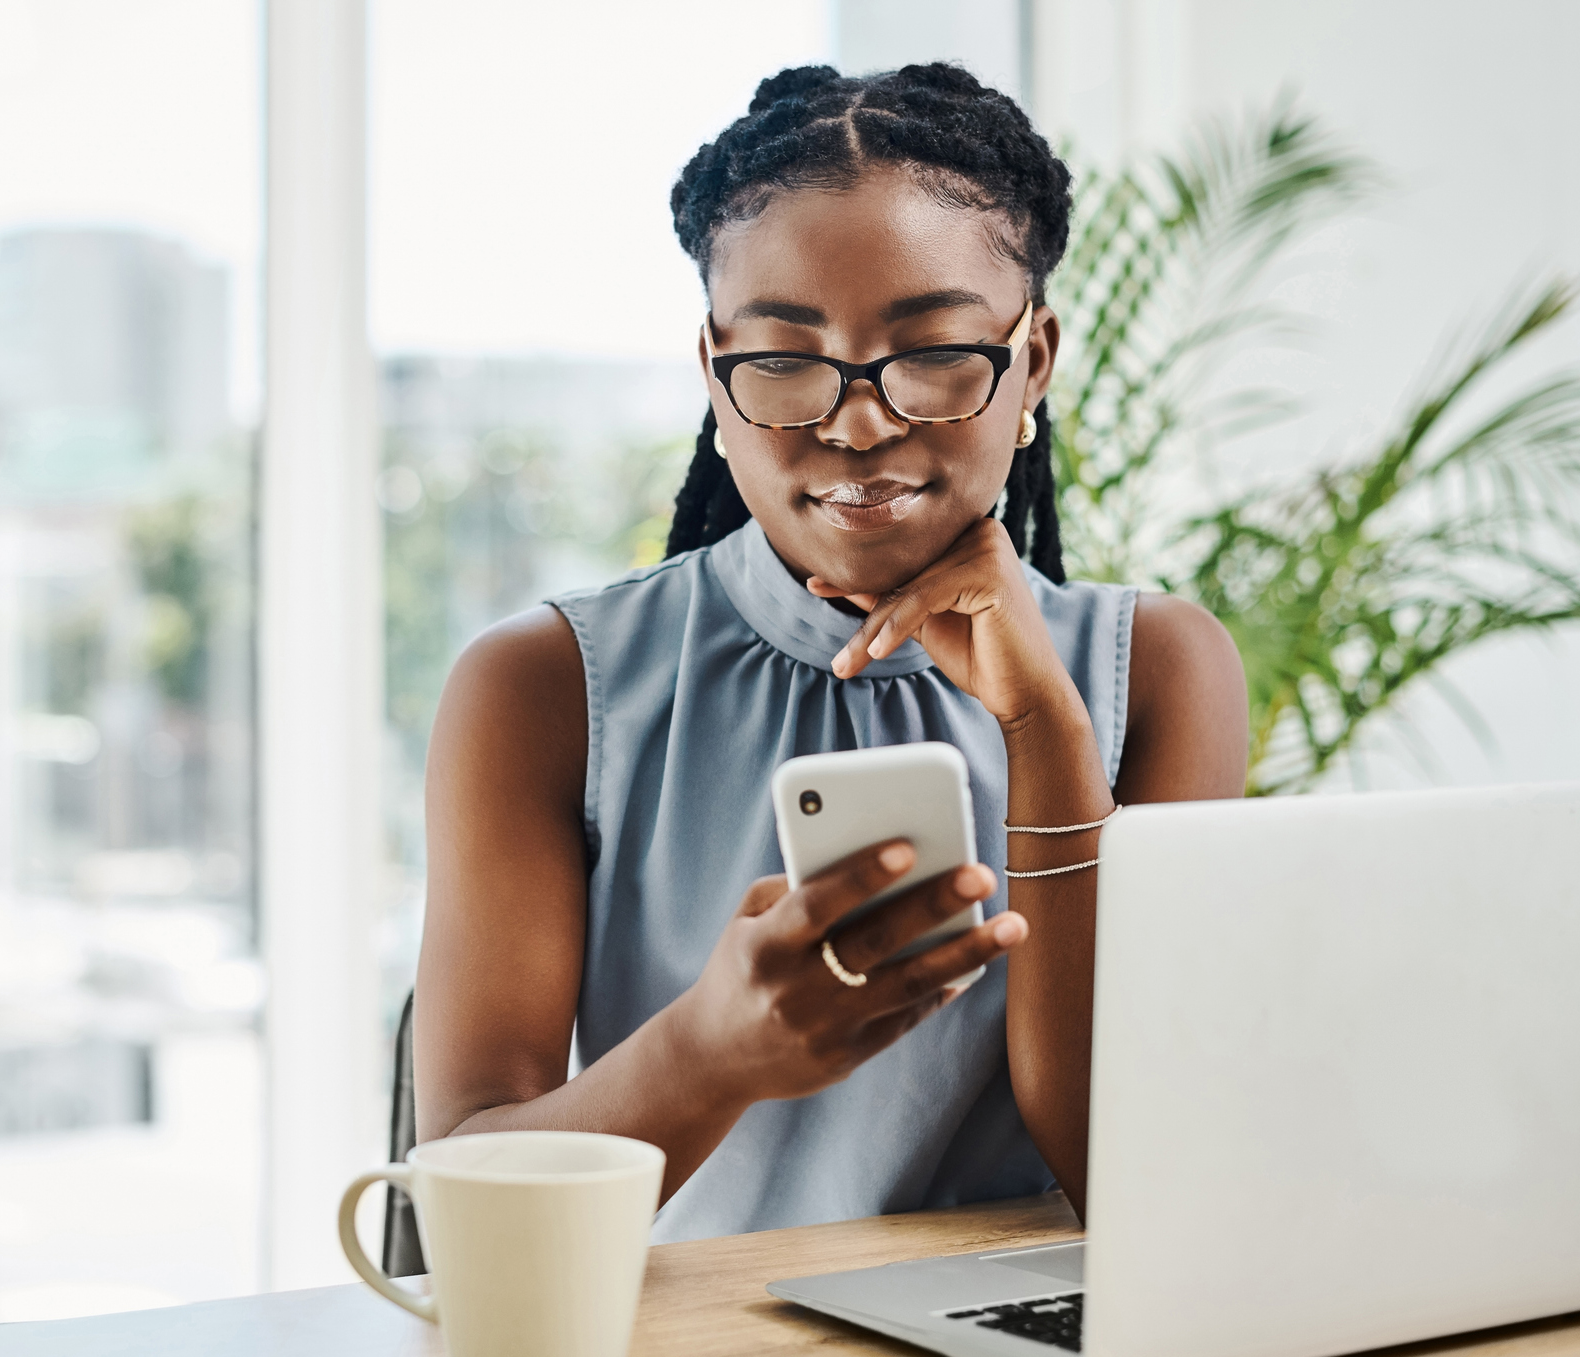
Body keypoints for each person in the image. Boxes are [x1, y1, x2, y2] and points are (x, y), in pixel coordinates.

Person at [414, 63, 1248, 1241]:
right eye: (785, 359)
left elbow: (1140, 1185)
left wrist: (1047, 734)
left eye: (935, 351)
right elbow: (462, 1201)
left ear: (1035, 359)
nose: (859, 423)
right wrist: (708, 1055)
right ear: (714, 372)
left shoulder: (1155, 671)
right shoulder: (545, 688)